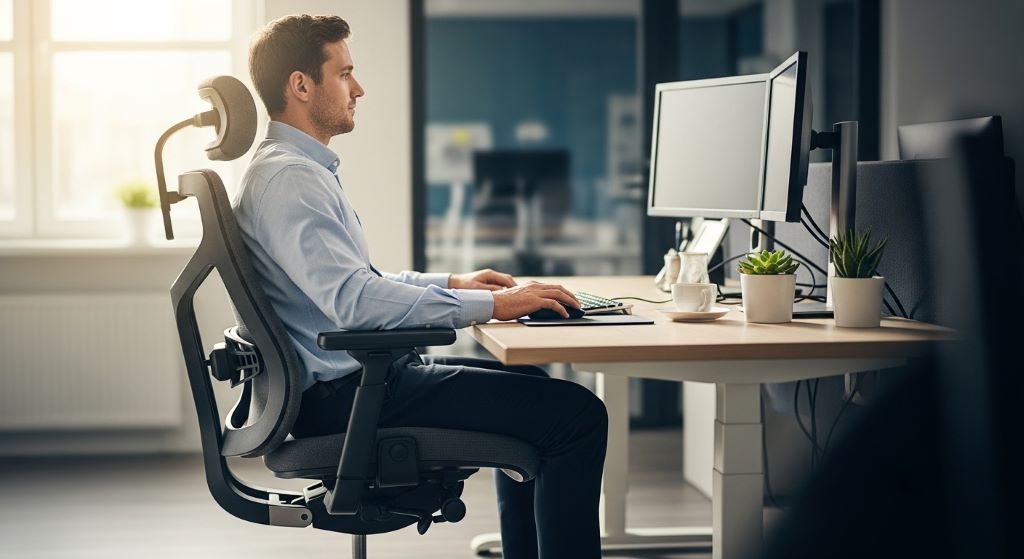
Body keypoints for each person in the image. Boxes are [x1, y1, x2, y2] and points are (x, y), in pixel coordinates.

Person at [234, 14, 607, 559]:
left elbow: (359, 284)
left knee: (527, 376)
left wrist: (454, 283)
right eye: (345, 73)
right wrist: (494, 304)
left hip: (358, 384)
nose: (358, 88)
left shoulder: (289, 171)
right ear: (301, 85)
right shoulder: (290, 177)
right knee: (578, 416)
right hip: (352, 397)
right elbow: (356, 303)